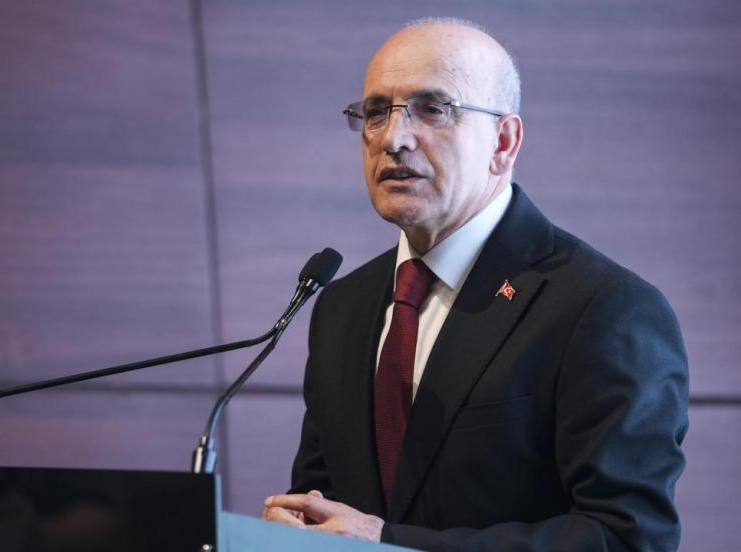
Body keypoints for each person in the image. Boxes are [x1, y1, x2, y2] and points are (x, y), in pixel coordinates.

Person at [262, 17, 688, 552]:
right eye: (375, 112)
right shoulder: (341, 307)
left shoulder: (603, 307)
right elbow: (325, 504)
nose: (393, 138)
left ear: (503, 142)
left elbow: (626, 537)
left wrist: (390, 543)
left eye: (432, 109)